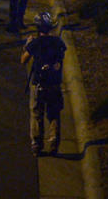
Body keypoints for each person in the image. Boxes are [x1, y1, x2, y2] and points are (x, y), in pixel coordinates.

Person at [21, 11, 66, 155]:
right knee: (54, 113)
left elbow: (23, 60)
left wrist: (27, 45)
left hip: (38, 84)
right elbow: (61, 56)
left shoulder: (35, 43)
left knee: (36, 113)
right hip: (54, 83)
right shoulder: (58, 42)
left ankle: (37, 143)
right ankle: (53, 142)